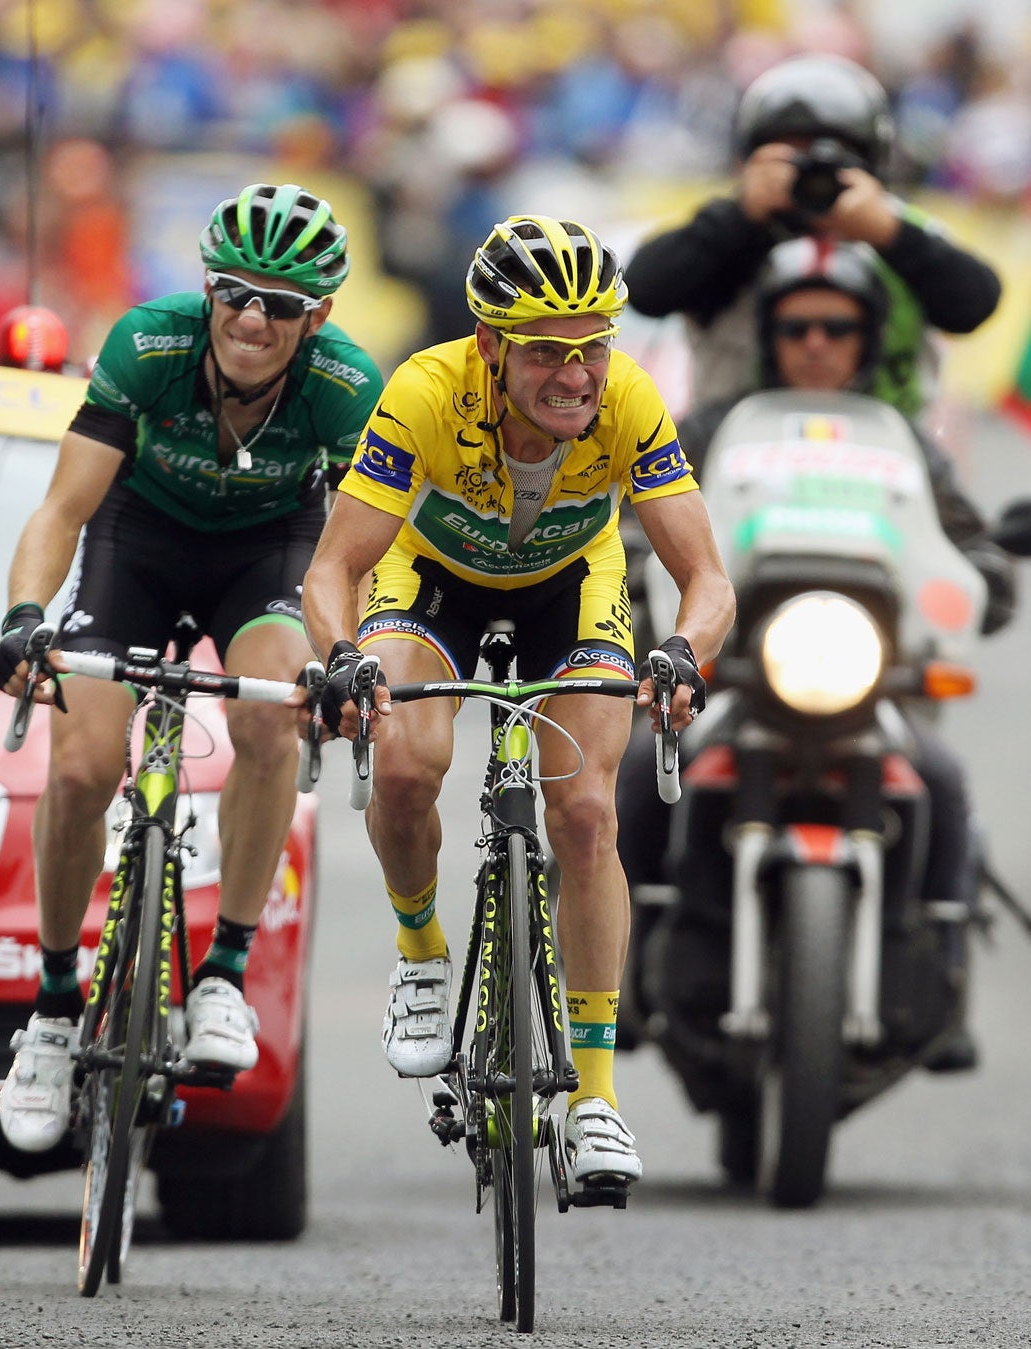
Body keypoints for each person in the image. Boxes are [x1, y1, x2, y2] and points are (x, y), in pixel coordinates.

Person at [302, 215, 735, 1187]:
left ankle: (593, 1096)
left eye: (591, 348)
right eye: (546, 350)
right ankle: (420, 956)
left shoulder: (627, 398)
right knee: (407, 764)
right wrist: (338, 657)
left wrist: (681, 651)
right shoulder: (422, 390)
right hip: (435, 582)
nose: (575, 375)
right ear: (491, 344)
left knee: (584, 811)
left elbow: (706, 577)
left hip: (566, 586)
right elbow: (335, 567)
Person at [0, 184, 386, 1153]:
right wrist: (25, 619)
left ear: (317, 316)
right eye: (233, 294)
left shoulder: (343, 385)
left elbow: (359, 553)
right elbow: (60, 510)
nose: (251, 319)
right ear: (206, 290)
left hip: (268, 555)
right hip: (138, 542)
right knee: (81, 766)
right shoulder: (148, 345)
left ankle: (223, 975)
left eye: (280, 305)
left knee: (264, 717)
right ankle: (49, 1009)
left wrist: (342, 660)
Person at [618, 240, 1015, 1073]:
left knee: (941, 779)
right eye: (797, 325)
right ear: (770, 334)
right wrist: (629, 572)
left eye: (838, 326)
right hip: (734, 672)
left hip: (867, 673)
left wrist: (988, 571)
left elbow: (966, 537)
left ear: (867, 339)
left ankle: (944, 972)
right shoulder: (712, 426)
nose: (816, 343)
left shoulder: (906, 440)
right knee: (640, 776)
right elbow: (639, 511)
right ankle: (617, 967)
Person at [623, 54, 1002, 417]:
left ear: (872, 162)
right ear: (750, 160)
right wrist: (740, 217)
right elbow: (645, 288)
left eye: (832, 158)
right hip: (734, 451)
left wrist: (889, 234)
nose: (811, 174)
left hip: (888, 458)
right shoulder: (725, 235)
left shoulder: (905, 232)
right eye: (791, 157)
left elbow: (976, 303)